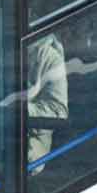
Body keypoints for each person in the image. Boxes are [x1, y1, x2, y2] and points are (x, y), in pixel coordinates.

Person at [25, 29, 68, 164]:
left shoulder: (50, 58)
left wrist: (22, 110)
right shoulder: (0, 43)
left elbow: (58, 111)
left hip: (33, 137)